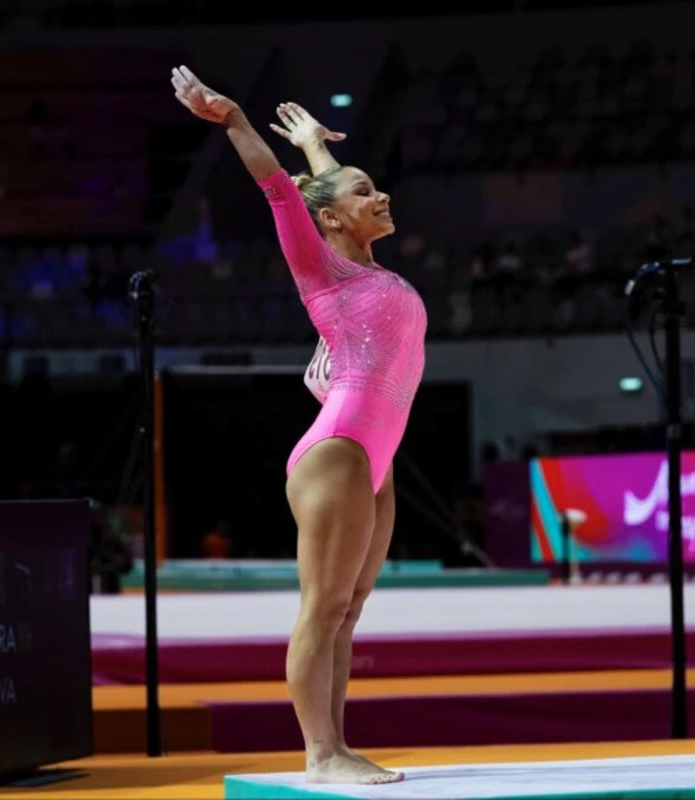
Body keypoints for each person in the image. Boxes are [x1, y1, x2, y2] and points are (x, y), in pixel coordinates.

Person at [171, 65, 424, 785]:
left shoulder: (369, 269)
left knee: (349, 612)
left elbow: (323, 189)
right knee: (322, 607)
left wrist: (318, 145)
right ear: (334, 222)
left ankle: (338, 746)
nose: (379, 194)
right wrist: (236, 122)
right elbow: (285, 193)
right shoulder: (322, 269)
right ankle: (319, 755)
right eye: (364, 192)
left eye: (376, 185)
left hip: (377, 457)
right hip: (342, 448)